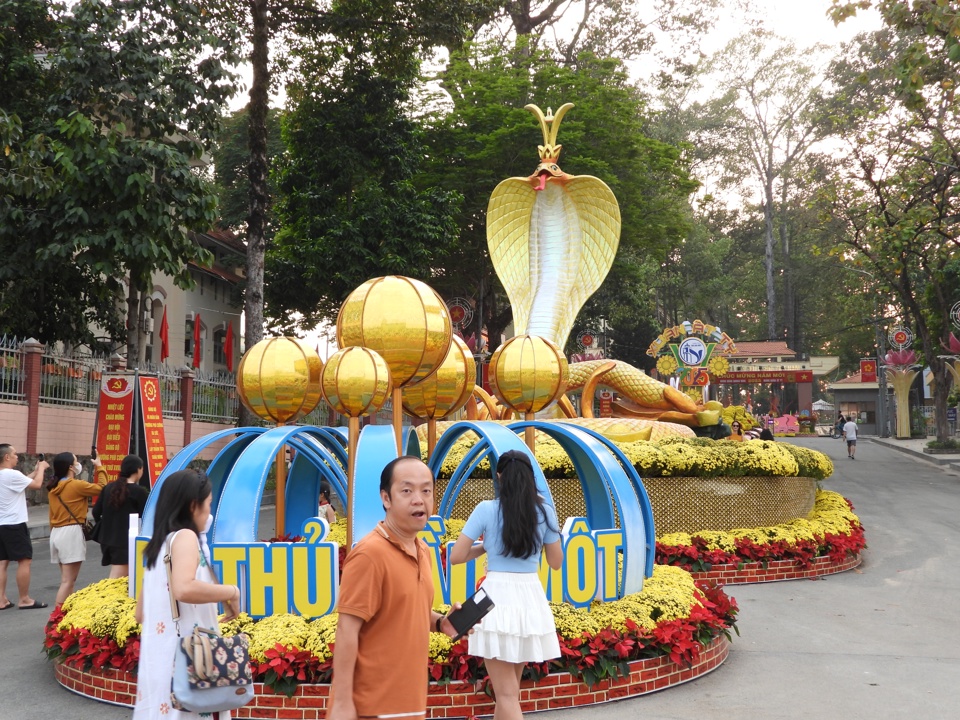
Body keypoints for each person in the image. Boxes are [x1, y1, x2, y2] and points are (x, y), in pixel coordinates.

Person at [328, 456, 461, 720]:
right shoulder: (370, 555)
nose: (418, 499)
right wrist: (342, 705)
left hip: (410, 703)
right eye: (407, 490)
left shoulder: (422, 550)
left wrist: (440, 622)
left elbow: (404, 611)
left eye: (426, 491)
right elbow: (347, 630)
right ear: (386, 499)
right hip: (372, 707)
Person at [449, 450, 564, 720]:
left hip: (495, 598)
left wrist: (485, 547)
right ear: (530, 477)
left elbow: (456, 556)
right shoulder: (544, 510)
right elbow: (556, 562)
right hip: (530, 598)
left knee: (507, 695)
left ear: (499, 477)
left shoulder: (486, 510)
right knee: (509, 693)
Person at [133, 469, 240, 720]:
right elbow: (184, 588)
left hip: (160, 661)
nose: (209, 512)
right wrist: (231, 591)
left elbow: (140, 613)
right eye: (208, 504)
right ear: (194, 505)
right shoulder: (186, 537)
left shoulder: (157, 546)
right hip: (191, 661)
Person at [47, 451, 107, 606]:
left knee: (68, 580)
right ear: (71, 468)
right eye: (76, 461)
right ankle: (56, 618)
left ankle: (66, 615)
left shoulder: (54, 486)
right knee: (68, 581)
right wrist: (99, 467)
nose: (78, 463)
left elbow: (51, 515)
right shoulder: (75, 485)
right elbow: (102, 488)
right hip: (71, 532)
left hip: (56, 532)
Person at [0, 444, 49, 609]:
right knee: (24, 560)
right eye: (14, 454)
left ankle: (1, 599)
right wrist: (41, 468)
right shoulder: (12, 474)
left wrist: (35, 472)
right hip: (14, 523)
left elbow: (23, 482)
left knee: (2, 562)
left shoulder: (7, 476)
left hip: (1, 524)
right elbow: (36, 485)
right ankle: (24, 598)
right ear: (6, 457)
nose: (17, 457)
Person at [92, 455, 148, 578]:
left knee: (124, 580)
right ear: (138, 469)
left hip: (108, 540)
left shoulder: (108, 488)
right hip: (127, 543)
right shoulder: (139, 492)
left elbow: (95, 512)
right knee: (116, 581)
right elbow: (146, 517)